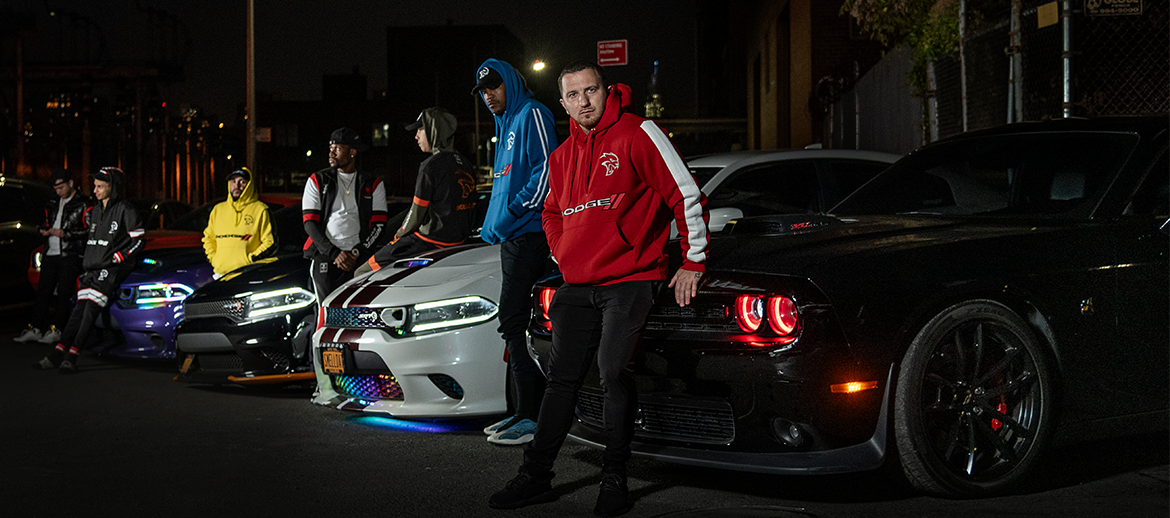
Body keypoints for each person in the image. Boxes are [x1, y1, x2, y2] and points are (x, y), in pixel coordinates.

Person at [488, 62, 709, 516]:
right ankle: (536, 476)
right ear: (563, 102)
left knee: (612, 375)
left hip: (630, 280)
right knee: (560, 382)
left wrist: (693, 260)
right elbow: (550, 211)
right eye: (574, 94)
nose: (584, 101)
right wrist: (562, 249)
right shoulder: (563, 154)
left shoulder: (638, 132)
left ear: (606, 92)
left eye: (592, 90)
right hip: (577, 283)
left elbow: (685, 194)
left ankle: (614, 478)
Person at [471, 59, 559, 446]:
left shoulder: (533, 113)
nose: (489, 96)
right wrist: (494, 221)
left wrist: (508, 214)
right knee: (513, 323)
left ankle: (533, 416)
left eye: (494, 87)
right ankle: (522, 412)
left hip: (531, 236)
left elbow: (547, 174)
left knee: (514, 319)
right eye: (483, 92)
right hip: (513, 238)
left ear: (509, 83)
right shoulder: (504, 124)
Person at [32, 167, 145, 373]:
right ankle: (58, 354)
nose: (95, 191)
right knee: (78, 312)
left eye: (100, 187)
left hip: (109, 270)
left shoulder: (125, 210)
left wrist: (118, 257)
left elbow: (138, 242)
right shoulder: (93, 211)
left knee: (89, 313)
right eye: (95, 186)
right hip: (91, 268)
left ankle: (72, 357)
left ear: (114, 187)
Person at [363, 107, 477, 273]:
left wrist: (398, 236)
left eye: (421, 130)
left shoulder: (430, 166)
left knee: (361, 272)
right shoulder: (465, 164)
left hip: (428, 241)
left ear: (434, 131)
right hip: (458, 243)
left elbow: (415, 214)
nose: (416, 136)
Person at [302, 127, 388, 304]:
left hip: (360, 257)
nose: (331, 153)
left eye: (337, 148)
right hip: (326, 256)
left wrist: (357, 251)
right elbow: (310, 223)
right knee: (326, 310)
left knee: (358, 310)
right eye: (330, 148)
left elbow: (379, 224)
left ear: (352, 152)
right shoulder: (318, 180)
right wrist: (335, 253)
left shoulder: (373, 183)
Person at [15, 169, 92, 344]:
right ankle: (35, 328)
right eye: (55, 188)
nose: (58, 191)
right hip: (51, 251)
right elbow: (45, 222)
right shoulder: (52, 203)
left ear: (70, 184)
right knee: (43, 290)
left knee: (64, 292)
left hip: (70, 253)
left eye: (61, 187)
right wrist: (42, 230)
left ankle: (57, 329)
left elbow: (90, 230)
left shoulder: (83, 204)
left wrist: (65, 233)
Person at [203, 168, 274, 279]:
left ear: (249, 185)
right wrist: (214, 258)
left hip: (248, 275)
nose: (237, 186)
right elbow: (208, 238)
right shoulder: (218, 210)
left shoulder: (261, 210)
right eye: (233, 181)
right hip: (220, 275)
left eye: (242, 182)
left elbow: (270, 242)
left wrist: (250, 260)